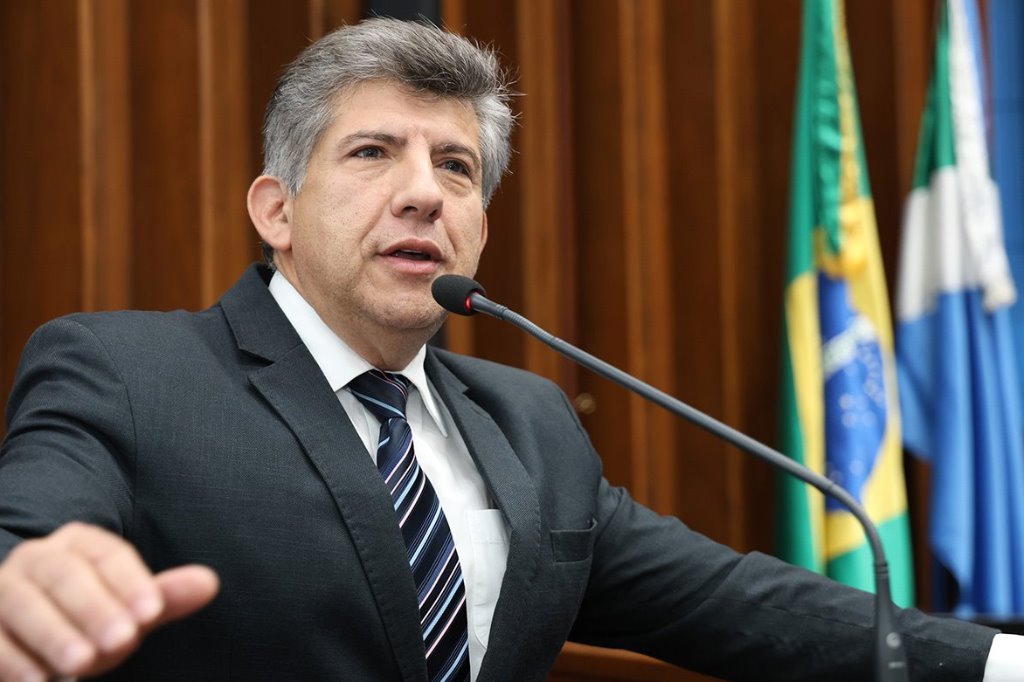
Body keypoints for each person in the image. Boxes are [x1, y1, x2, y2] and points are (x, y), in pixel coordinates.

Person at [0, 16, 1014, 682]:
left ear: (480, 225)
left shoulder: (528, 423)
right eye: (372, 152)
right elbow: (29, 539)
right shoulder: (126, 373)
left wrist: (1001, 664)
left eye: (456, 167)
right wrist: (29, 580)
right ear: (276, 209)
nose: (423, 193)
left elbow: (737, 605)